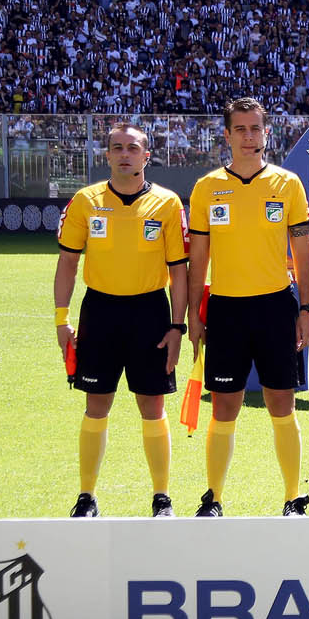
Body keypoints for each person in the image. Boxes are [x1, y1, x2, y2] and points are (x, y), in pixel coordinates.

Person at [186, 97, 309, 517]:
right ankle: (214, 497)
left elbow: (302, 251)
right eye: (239, 129)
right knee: (225, 406)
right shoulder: (207, 188)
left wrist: (306, 309)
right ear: (226, 135)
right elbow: (198, 259)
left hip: (277, 307)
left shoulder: (287, 184)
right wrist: (192, 312)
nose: (247, 136)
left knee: (282, 403)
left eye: (254, 128)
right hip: (225, 309)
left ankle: (293, 497)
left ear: (266, 133)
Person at [53, 123, 188, 517]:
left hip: (150, 312)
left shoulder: (166, 204)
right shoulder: (85, 201)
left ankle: (161, 497)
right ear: (107, 155)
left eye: (133, 148)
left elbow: (179, 271)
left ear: (147, 156)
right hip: (100, 311)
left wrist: (176, 327)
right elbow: (67, 264)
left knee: (152, 404)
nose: (125, 154)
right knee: (97, 404)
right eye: (117, 148)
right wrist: (62, 320)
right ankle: (86, 496)